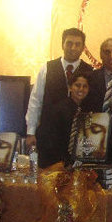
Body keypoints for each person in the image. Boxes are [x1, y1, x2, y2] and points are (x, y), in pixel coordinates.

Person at [25, 28, 93, 167]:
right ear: (63, 44)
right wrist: (30, 132)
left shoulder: (91, 71)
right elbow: (35, 101)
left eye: (77, 44)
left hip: (77, 138)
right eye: (69, 43)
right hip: (49, 136)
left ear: (83, 47)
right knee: (47, 175)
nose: (73, 48)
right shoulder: (47, 68)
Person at [39, 72, 91, 169]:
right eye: (77, 85)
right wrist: (64, 162)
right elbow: (52, 140)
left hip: (77, 163)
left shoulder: (87, 111)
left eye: (85, 86)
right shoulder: (59, 110)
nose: (81, 89)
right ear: (70, 87)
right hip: (57, 162)